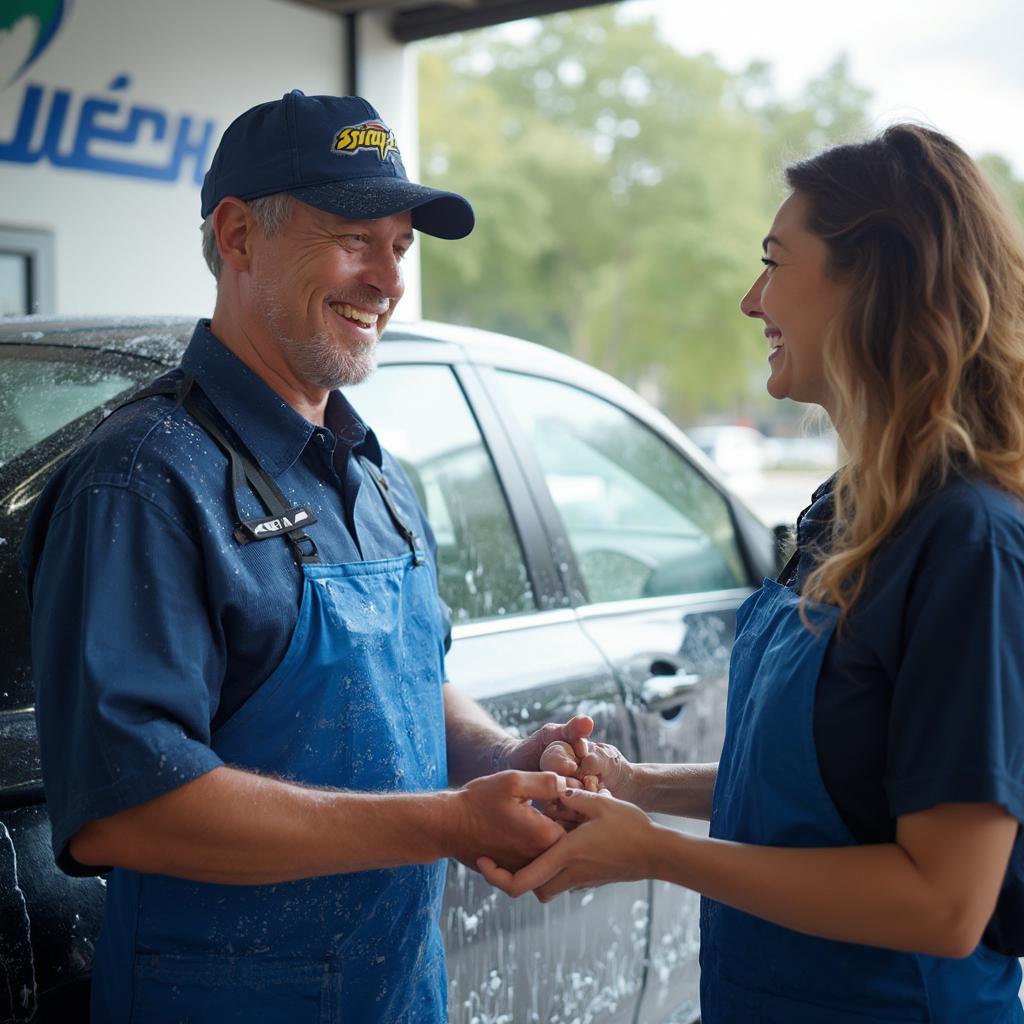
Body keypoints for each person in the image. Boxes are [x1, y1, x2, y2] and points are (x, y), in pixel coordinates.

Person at [19, 90, 591, 1024]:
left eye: (399, 246)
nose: (387, 279)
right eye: (354, 237)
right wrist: (449, 821)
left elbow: (409, 681)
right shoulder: (141, 481)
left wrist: (498, 757)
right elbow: (131, 809)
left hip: (395, 992)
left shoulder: (374, 473)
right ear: (239, 235)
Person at [481, 123, 1024, 1023]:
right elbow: (851, 778)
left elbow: (945, 904)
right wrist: (639, 788)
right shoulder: (848, 511)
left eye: (775, 261)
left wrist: (656, 851)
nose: (750, 299)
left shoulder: (968, 544)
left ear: (876, 285)